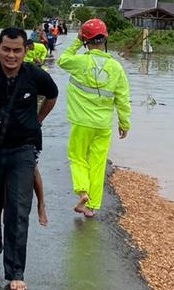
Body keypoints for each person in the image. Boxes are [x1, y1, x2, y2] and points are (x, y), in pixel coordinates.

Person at [0, 27, 59, 290]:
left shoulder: (35, 76)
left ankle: (15, 272)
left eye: (17, 50)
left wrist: (36, 121)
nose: (11, 55)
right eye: (6, 49)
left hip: (23, 149)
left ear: (25, 51)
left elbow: (52, 95)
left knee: (19, 210)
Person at [56, 18, 131, 218]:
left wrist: (76, 43)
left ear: (85, 40)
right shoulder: (116, 67)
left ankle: (82, 192)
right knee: (98, 164)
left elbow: (62, 60)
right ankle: (91, 207)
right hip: (103, 125)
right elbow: (123, 99)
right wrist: (124, 123)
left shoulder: (80, 62)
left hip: (81, 123)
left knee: (77, 158)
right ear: (105, 39)